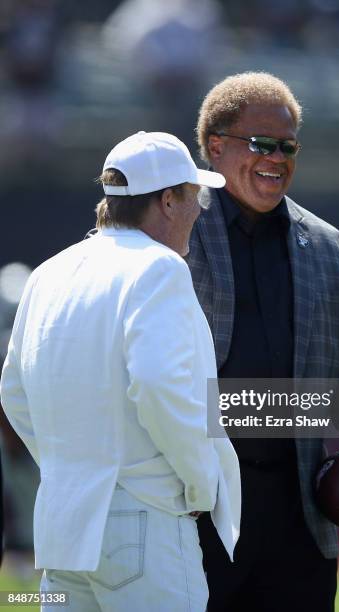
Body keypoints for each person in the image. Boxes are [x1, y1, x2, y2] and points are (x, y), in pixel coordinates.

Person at [186, 72, 339, 611]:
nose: (278, 156)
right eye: (261, 142)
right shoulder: (173, 225)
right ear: (215, 147)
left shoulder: (324, 243)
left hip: (298, 519)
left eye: (289, 146)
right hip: (192, 512)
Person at [0, 131, 241, 612]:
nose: (200, 210)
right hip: (143, 519)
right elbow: (156, 384)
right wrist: (198, 481)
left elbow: (13, 394)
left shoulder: (50, 271)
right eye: (194, 196)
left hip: (64, 523)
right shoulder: (159, 268)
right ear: (168, 202)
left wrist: (70, 468)